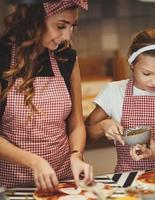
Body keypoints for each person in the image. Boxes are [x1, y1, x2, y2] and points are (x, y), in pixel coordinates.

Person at [0, 0, 94, 190]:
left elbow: (76, 121)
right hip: (13, 186)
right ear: (34, 20)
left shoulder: (67, 57)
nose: (67, 36)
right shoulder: (2, 56)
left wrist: (76, 155)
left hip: (64, 182)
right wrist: (35, 162)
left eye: (72, 26)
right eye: (60, 26)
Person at [85, 28, 155, 172]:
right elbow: (85, 137)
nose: (154, 81)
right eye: (146, 73)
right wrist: (103, 126)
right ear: (132, 63)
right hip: (126, 179)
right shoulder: (113, 92)